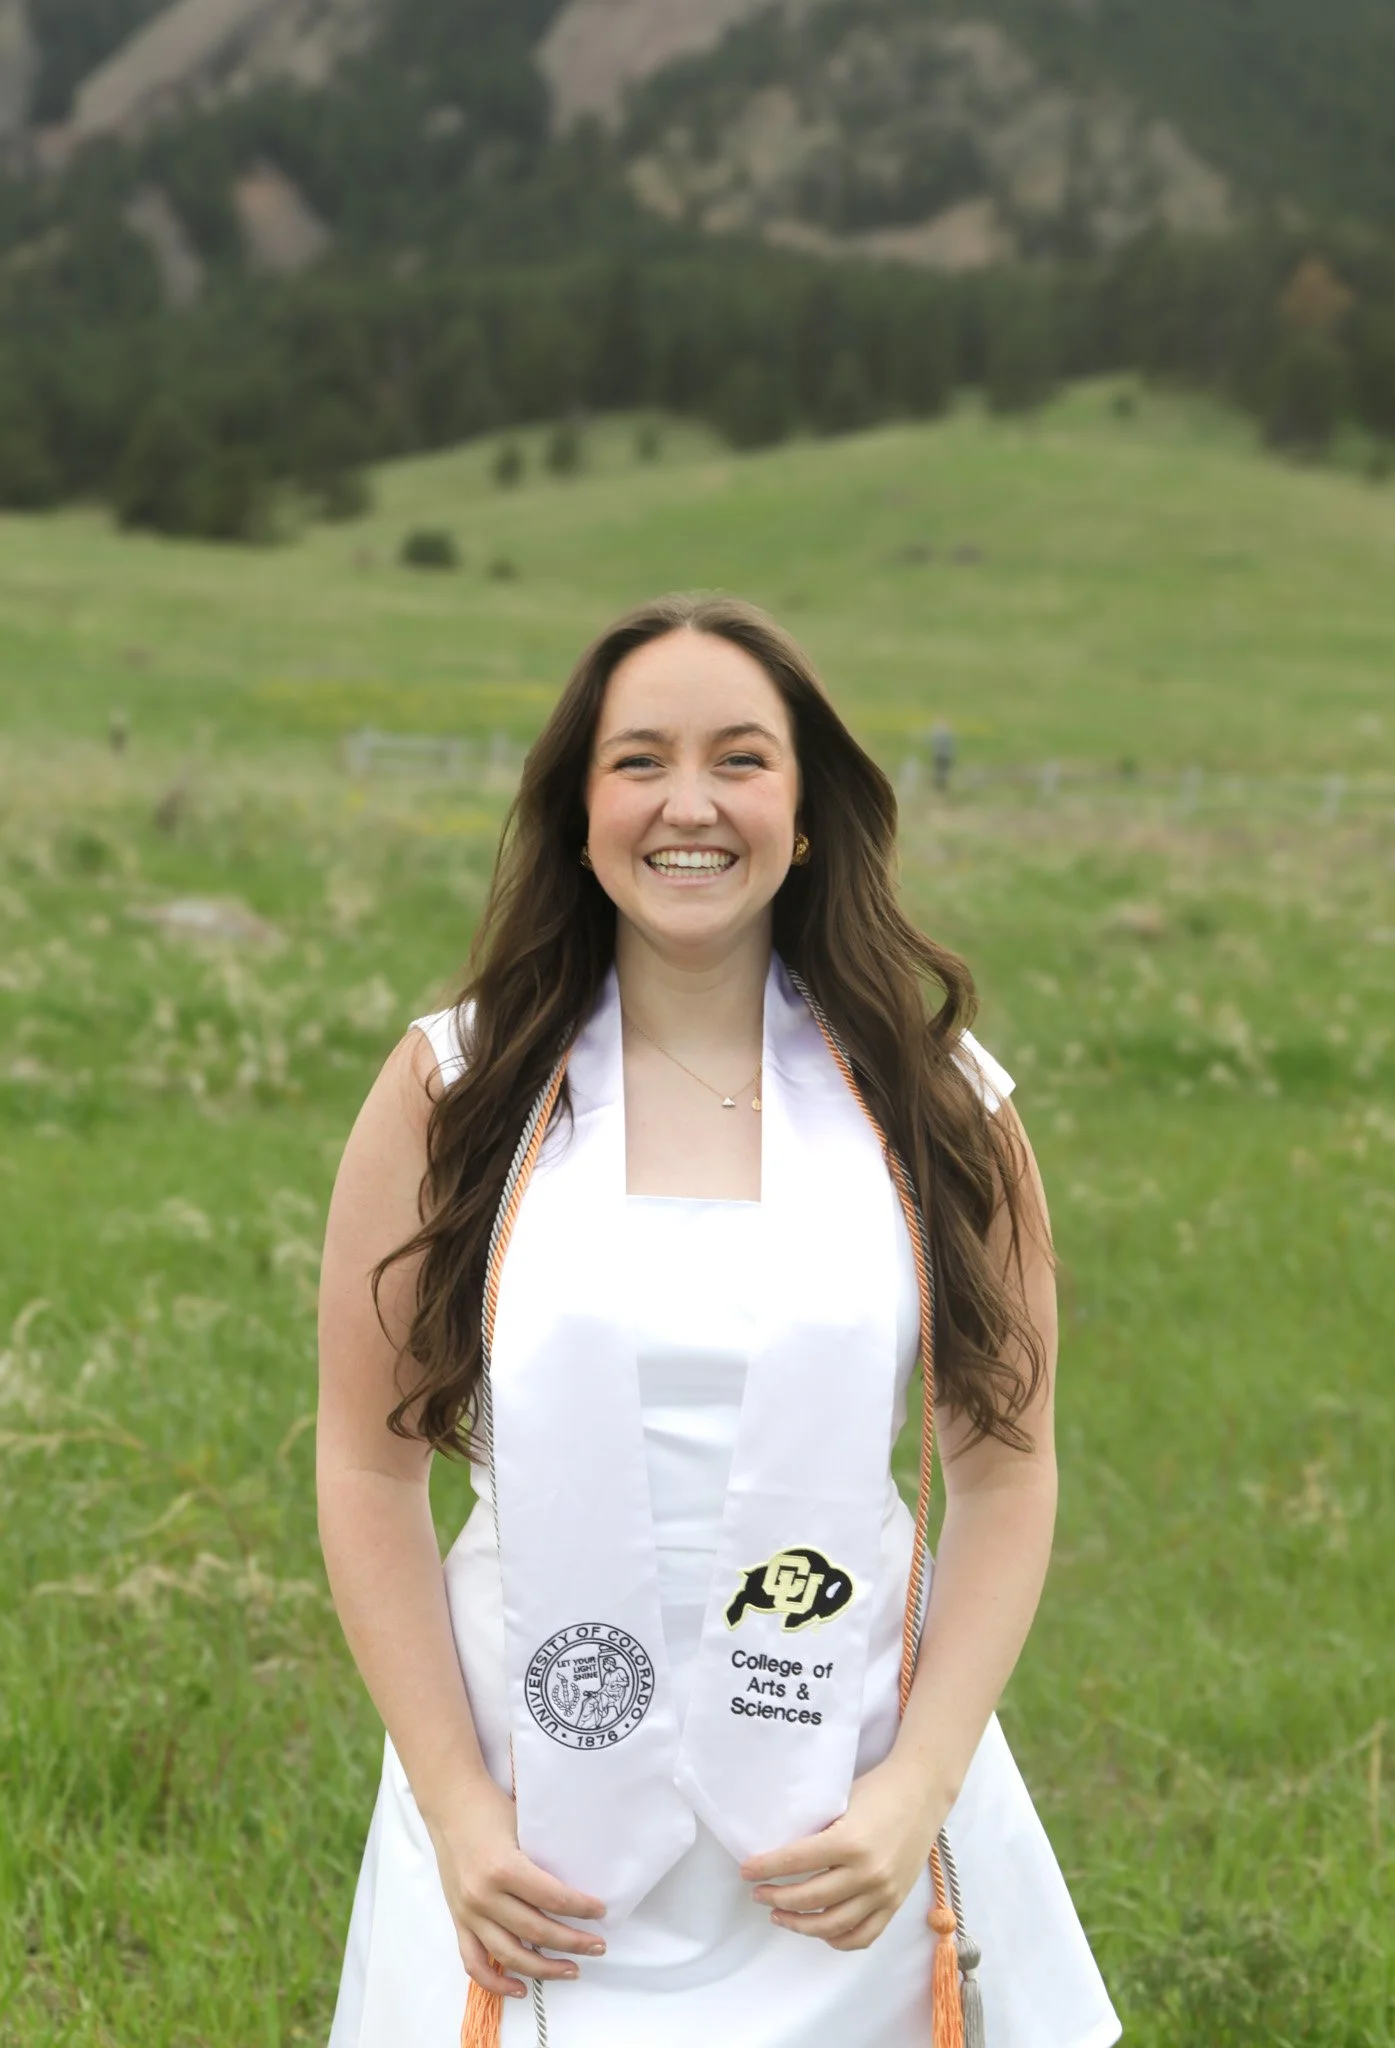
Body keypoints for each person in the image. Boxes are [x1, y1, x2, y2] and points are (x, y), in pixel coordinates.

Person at [318, 593, 1121, 2048]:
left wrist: (911, 1795)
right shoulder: (457, 1085)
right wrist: (454, 1808)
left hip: (844, 1819)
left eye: (740, 759)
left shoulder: (938, 1101)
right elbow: (367, 1465)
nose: (687, 804)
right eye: (637, 761)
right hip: (527, 1816)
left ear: (806, 811)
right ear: (577, 808)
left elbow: (1005, 1473)